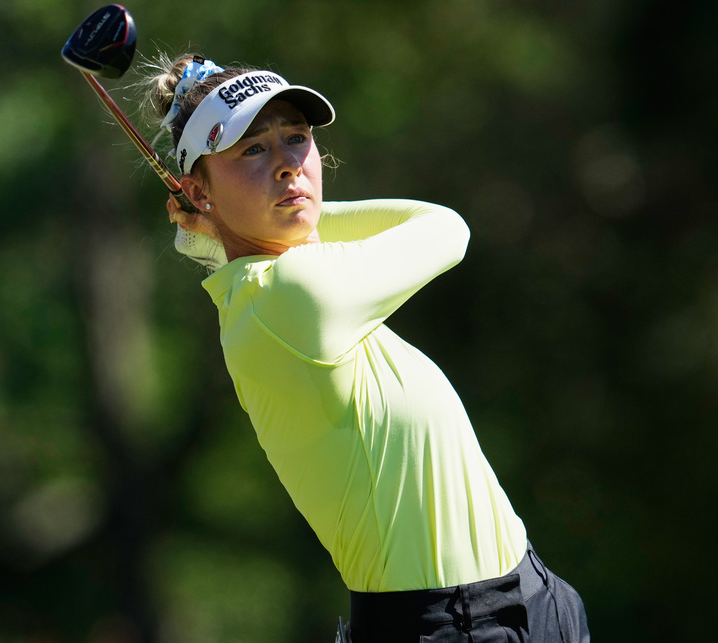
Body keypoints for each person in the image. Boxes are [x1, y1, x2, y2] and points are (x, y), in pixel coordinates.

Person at [140, 53, 591, 642]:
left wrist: (222, 225)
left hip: (533, 597)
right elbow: (445, 228)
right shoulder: (290, 296)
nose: (288, 165)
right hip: (450, 628)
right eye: (252, 149)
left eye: (296, 138)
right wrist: (236, 226)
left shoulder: (266, 290)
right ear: (197, 190)